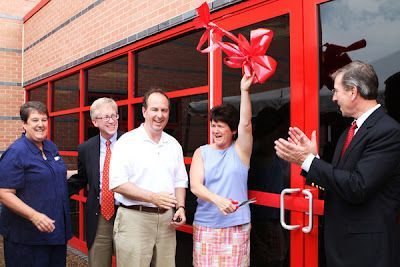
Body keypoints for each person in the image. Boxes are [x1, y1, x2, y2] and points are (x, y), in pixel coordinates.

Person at [274, 61, 400, 267]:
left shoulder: (387, 131)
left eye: (336, 91)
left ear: (353, 92)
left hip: (366, 251)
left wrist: (307, 161)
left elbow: (357, 187)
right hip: (342, 245)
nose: (333, 98)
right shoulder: (348, 131)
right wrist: (314, 158)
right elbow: (339, 180)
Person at [109, 88, 187, 267]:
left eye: (164, 110)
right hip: (135, 219)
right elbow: (117, 183)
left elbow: (180, 181)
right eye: (155, 109)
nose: (160, 115)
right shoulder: (127, 142)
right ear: (144, 111)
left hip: (167, 221)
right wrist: (153, 197)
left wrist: (180, 207)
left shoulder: (173, 144)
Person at [190, 74, 254, 267]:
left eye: (220, 126)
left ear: (233, 130)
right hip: (206, 226)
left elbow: (246, 124)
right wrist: (218, 200)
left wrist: (244, 90)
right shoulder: (201, 152)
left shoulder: (240, 151)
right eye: (213, 126)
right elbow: (195, 186)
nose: (215, 131)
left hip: (236, 227)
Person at [0, 101, 72, 267]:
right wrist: (34, 216)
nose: (41, 124)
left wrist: (86, 173)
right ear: (24, 124)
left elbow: (55, 174)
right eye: (35, 120)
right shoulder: (16, 153)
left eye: (44, 120)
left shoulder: (50, 147)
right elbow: (4, 193)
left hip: (54, 235)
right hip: (27, 239)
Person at [68, 97, 123, 267]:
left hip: (128, 213)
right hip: (100, 215)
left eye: (114, 116)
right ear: (94, 121)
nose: (112, 120)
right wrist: (54, 193)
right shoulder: (85, 148)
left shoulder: (131, 142)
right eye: (106, 117)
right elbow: (81, 179)